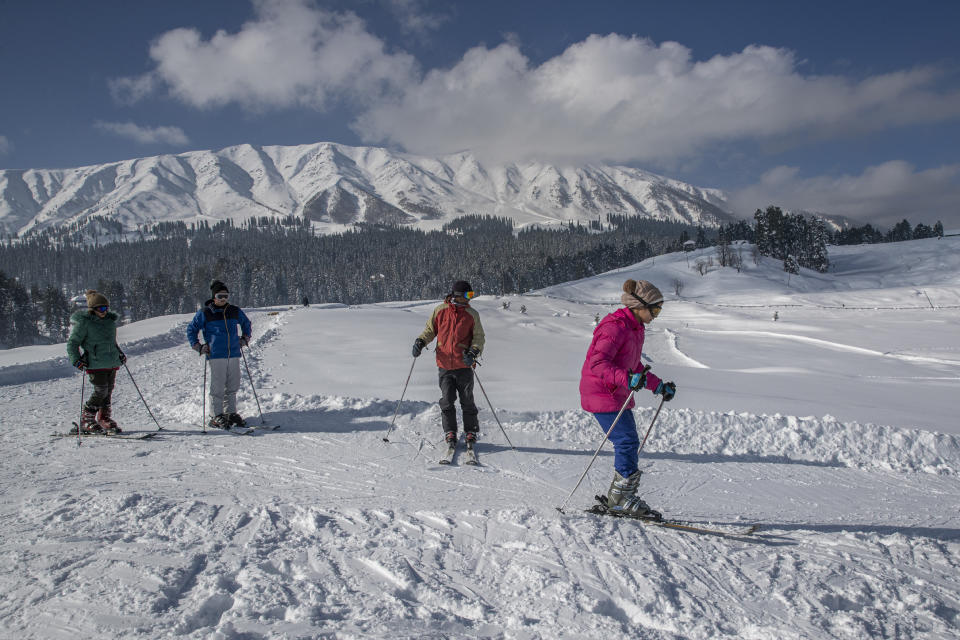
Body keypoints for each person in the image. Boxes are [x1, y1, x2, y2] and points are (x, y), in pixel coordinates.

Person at [579, 279, 677, 518]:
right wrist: (627, 378)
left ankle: (619, 495)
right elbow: (598, 363)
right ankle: (620, 498)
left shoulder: (634, 328)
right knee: (627, 442)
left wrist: (658, 386)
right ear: (639, 305)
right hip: (602, 392)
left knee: (629, 442)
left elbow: (634, 365)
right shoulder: (615, 327)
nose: (656, 314)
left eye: (659, 310)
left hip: (615, 392)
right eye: (654, 309)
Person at [411, 280, 486, 445]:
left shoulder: (472, 314)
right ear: (457, 296)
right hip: (444, 365)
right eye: (468, 295)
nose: (470, 299)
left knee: (467, 400)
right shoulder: (440, 311)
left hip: (464, 365)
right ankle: (450, 431)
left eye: (471, 295)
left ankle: (471, 431)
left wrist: (473, 352)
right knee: (447, 400)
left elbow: (479, 337)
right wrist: (421, 342)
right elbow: (430, 330)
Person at [187, 280, 252, 429]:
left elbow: (246, 324)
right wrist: (198, 346)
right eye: (220, 296)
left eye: (226, 296)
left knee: (233, 385)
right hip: (216, 355)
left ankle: (230, 413)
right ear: (213, 296)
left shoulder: (234, 310)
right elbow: (191, 329)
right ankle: (216, 415)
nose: (223, 299)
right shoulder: (205, 312)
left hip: (234, 353)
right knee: (217, 387)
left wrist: (245, 338)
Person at [66, 290, 127, 434]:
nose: (104, 311)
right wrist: (76, 359)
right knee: (100, 390)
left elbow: (112, 343)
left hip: (111, 362)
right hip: (94, 363)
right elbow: (72, 343)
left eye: (106, 308)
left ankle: (104, 418)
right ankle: (86, 419)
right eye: (101, 308)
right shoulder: (84, 323)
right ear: (92, 309)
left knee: (108, 391)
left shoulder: (109, 323)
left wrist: (120, 354)